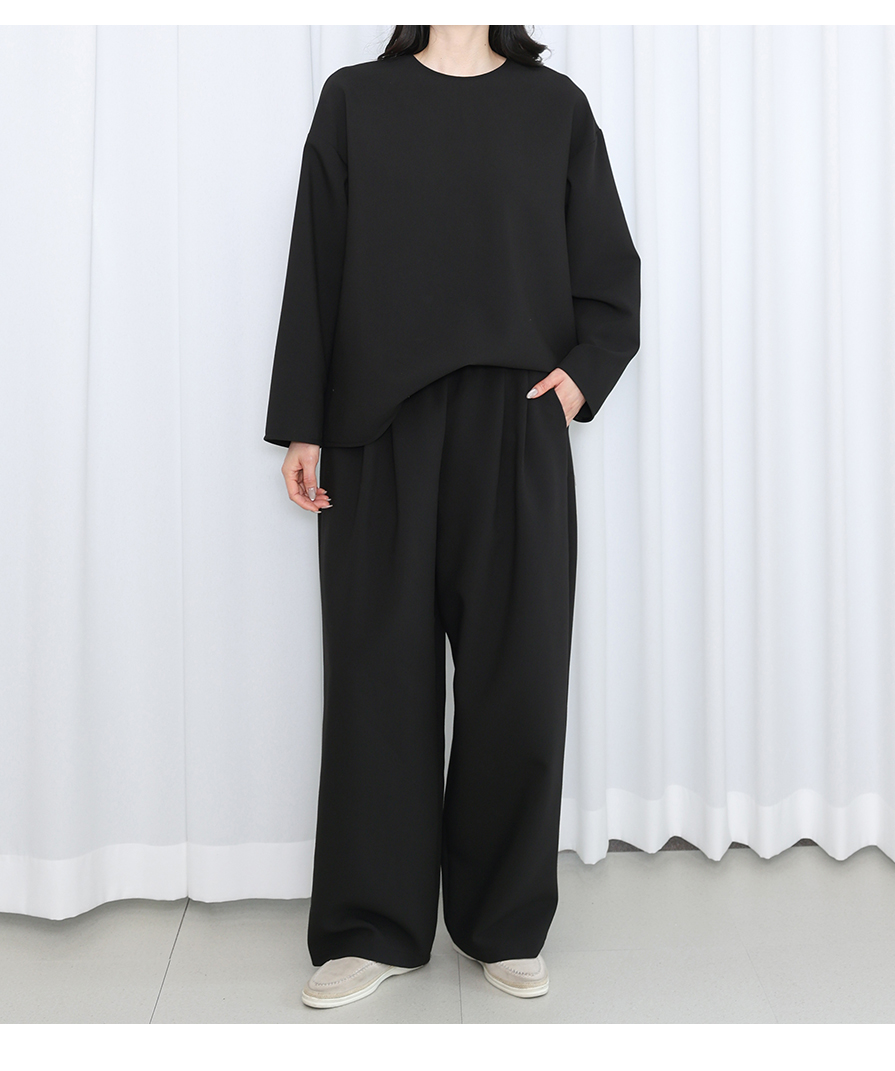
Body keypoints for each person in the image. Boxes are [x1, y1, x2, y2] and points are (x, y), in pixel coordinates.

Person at [264, 24, 641, 1010]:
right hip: (373, 432)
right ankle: (371, 927)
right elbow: (315, 261)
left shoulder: (552, 107)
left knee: (518, 678)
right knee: (375, 681)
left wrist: (578, 379)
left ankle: (503, 922)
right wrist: (303, 424)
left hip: (515, 426)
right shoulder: (356, 99)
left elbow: (609, 270)